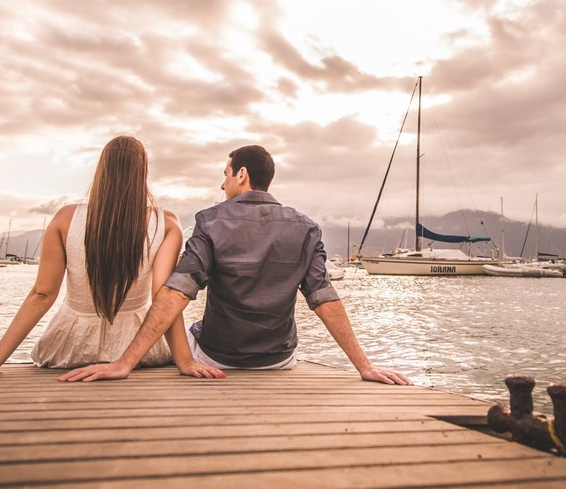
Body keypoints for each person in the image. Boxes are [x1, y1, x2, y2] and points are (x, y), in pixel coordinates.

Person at [59, 145, 411, 385]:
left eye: (226, 174)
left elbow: (176, 293)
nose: (222, 183)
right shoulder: (306, 227)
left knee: (185, 337)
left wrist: (124, 363)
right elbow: (323, 298)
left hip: (217, 358)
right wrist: (364, 366)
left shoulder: (211, 221)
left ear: (242, 174)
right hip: (278, 360)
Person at [0, 135, 223, 379]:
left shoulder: (64, 218)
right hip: (140, 352)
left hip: (69, 348)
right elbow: (164, 298)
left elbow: (42, 294)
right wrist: (184, 361)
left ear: (101, 171)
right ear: (143, 172)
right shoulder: (166, 222)